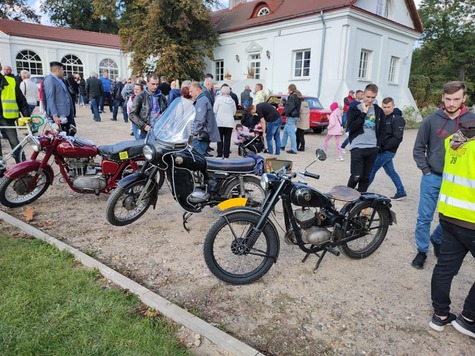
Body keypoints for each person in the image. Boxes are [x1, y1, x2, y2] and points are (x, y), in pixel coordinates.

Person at [412, 81, 475, 269]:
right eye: (448, 99)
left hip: (459, 181)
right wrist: (426, 170)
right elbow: (418, 149)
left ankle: (437, 238)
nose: (451, 103)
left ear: (464, 98)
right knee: (424, 217)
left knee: (451, 218)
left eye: (456, 99)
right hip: (433, 177)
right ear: (442, 98)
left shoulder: (472, 121)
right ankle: (422, 251)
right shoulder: (431, 120)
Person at [428, 119, 475, 339]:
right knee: (445, 268)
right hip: (471, 221)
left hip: (449, 217)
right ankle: (469, 318)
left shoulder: (452, 142)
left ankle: (440, 315)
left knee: (445, 268)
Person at [346, 83, 384, 192]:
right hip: (358, 146)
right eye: (368, 97)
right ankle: (346, 195)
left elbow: (382, 130)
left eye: (373, 97)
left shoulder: (378, 111)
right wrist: (363, 113)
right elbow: (352, 127)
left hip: (372, 147)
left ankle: (360, 202)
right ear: (363, 95)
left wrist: (378, 146)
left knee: (365, 178)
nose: (370, 100)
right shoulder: (354, 108)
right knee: (356, 175)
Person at [369, 97, 407, 199]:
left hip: (387, 151)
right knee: (391, 171)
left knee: (371, 169)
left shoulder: (398, 119)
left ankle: (361, 191)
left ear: (393, 106)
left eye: (388, 107)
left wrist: (382, 147)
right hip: (382, 150)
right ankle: (401, 191)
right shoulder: (383, 117)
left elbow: (397, 138)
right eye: (384, 107)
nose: (386, 109)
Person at [0, 61, 29, 167]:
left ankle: (22, 168)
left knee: (14, 142)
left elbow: (21, 100)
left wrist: (26, 117)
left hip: (7, 118)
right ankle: (1, 170)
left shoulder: (11, 81)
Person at [129, 73, 168, 140]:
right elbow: (132, 115)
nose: (155, 86)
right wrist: (144, 126)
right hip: (144, 131)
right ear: (147, 83)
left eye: (157, 84)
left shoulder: (162, 97)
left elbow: (167, 112)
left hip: (159, 130)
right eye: (153, 84)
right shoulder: (140, 96)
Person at [43, 61, 76, 135]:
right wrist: (54, 115)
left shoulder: (60, 80)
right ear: (57, 70)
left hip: (66, 112)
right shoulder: (50, 80)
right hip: (59, 114)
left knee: (71, 131)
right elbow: (50, 98)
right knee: (63, 135)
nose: (63, 72)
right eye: (62, 70)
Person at [188, 81, 220, 155]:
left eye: (191, 91)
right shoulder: (203, 99)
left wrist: (194, 132)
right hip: (205, 133)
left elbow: (200, 120)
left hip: (202, 135)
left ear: (198, 90)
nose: (190, 94)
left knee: (197, 157)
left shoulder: (201, 101)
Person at [213, 85, 236, 158]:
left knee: (219, 139)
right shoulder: (232, 101)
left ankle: (219, 153)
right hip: (229, 122)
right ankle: (226, 155)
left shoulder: (218, 100)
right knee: (227, 139)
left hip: (220, 121)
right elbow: (234, 111)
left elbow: (214, 110)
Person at [280, 84, 301, 154]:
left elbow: (290, 107)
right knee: (285, 131)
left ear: (290, 89)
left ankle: (294, 149)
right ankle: (282, 145)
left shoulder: (292, 97)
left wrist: (283, 113)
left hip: (291, 116)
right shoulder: (297, 96)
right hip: (295, 116)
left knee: (291, 133)